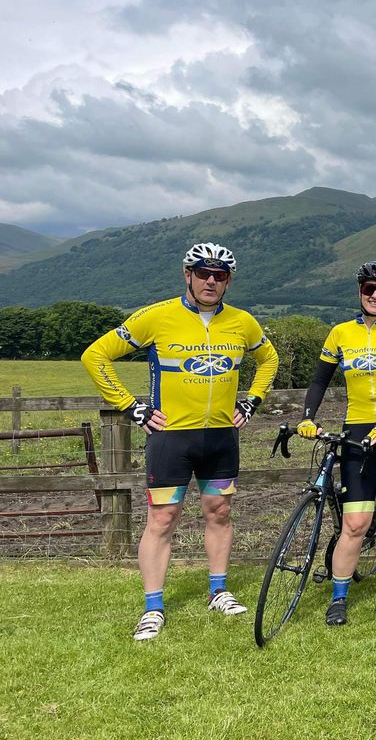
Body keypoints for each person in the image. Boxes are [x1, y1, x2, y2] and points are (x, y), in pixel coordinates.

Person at [81, 242, 279, 641]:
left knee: (219, 511)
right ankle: (153, 607)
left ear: (228, 281)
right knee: (163, 519)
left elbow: (269, 359)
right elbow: (95, 355)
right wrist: (131, 407)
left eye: (220, 275)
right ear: (187, 275)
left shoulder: (243, 322)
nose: (211, 281)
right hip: (171, 437)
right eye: (203, 273)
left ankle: (218, 590)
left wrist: (253, 400)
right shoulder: (157, 317)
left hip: (221, 436)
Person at [298, 261, 376, 626]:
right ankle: (339, 597)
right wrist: (308, 416)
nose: (374, 295)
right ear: (359, 291)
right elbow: (320, 381)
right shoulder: (340, 333)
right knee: (355, 520)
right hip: (357, 428)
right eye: (369, 289)